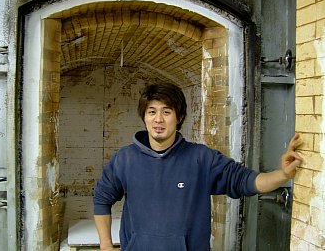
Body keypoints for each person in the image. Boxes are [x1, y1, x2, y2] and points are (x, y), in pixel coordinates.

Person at [93, 82, 303, 251]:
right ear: (144, 117)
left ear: (179, 117)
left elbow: (245, 181)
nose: (158, 119)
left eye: (166, 112)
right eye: (152, 112)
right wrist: (105, 245)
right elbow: (102, 199)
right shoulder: (124, 159)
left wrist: (283, 174)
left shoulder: (201, 158)